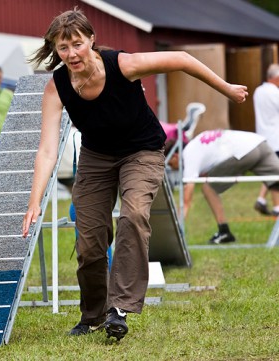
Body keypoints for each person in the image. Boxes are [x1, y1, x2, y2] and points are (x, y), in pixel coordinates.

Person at [21, 8, 247, 340]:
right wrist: (34, 201)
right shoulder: (57, 87)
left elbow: (183, 58)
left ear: (91, 41)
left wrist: (225, 88)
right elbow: (46, 149)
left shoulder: (123, 65)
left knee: (134, 215)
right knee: (89, 243)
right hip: (97, 158)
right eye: (63, 47)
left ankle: (119, 309)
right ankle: (92, 315)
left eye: (77, 44)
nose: (71, 54)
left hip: (141, 152)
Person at [172, 129, 279, 244]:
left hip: (243, 152)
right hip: (259, 143)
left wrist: (175, 231)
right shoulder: (196, 145)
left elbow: (186, 200)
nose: (172, 168)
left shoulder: (189, 155)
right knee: (276, 183)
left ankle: (224, 231)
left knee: (208, 188)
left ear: (174, 156)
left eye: (169, 164)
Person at [253, 63, 279, 216]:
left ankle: (261, 199)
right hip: (276, 137)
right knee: (275, 172)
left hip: (262, 136)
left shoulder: (258, 91)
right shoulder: (274, 93)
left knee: (270, 170)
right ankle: (277, 207)